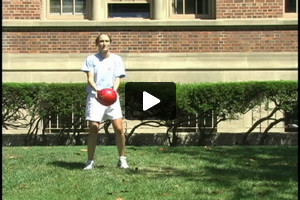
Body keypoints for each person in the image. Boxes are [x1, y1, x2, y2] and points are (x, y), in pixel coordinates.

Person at [81, 33, 129, 170]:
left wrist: (113, 91)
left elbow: (118, 78)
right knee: (94, 128)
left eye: (107, 41)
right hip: (95, 96)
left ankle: (122, 159)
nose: (104, 43)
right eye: (101, 41)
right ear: (97, 43)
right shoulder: (91, 59)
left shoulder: (117, 60)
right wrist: (98, 91)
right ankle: (90, 161)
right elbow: (90, 78)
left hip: (111, 96)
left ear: (110, 43)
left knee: (119, 128)